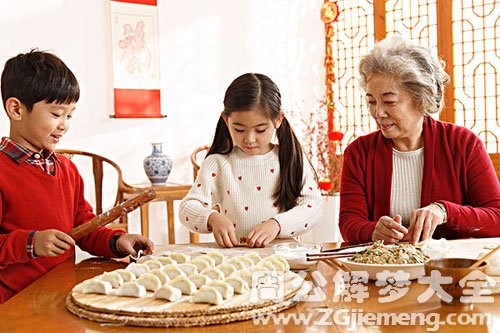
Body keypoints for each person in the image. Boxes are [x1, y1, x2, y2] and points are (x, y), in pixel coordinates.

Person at [0, 50, 154, 303]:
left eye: (69, 115)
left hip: (61, 295)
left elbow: (85, 229)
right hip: (14, 303)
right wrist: (31, 243)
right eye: (56, 114)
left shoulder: (67, 169)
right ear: (16, 109)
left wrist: (117, 241)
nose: (64, 125)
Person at [339, 36, 500, 245]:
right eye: (371, 101)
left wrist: (444, 211)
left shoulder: (463, 144)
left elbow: (496, 217)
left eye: (390, 101)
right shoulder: (359, 152)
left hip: (449, 270)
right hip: (385, 271)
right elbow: (349, 222)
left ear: (420, 99)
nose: (378, 112)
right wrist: (373, 231)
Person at [180, 73, 323, 248]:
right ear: (226, 120)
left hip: (283, 261)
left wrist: (277, 224)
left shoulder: (290, 157)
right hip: (236, 262)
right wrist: (212, 218)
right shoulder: (217, 163)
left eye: (260, 130)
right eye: (239, 129)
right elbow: (187, 208)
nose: (249, 139)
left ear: (278, 120)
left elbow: (313, 206)